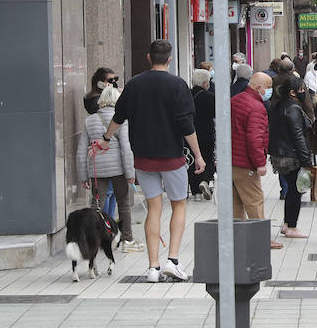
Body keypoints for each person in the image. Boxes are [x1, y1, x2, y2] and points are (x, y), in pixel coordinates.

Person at [97, 39, 205, 283]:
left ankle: (153, 267)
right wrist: (198, 155)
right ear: (170, 59)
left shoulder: (134, 85)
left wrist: (105, 138)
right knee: (178, 205)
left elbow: (119, 116)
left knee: (154, 208)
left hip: (143, 158)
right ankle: (173, 261)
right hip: (172, 158)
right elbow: (187, 125)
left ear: (148, 57)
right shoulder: (178, 85)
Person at [79, 83, 141, 251]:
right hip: (118, 170)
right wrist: (130, 173)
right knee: (123, 204)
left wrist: (83, 176)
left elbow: (81, 150)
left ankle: (93, 241)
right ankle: (127, 240)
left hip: (97, 171)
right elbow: (126, 148)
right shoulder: (121, 119)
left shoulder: (90, 120)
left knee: (96, 205)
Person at [230, 72, 280, 247]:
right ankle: (261, 238)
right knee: (255, 200)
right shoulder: (257, 108)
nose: (269, 92)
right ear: (259, 88)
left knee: (236, 202)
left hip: (232, 160)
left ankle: (236, 237)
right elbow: (254, 138)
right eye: (267, 88)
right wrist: (260, 163)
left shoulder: (235, 100)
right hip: (245, 163)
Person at [269, 73, 315, 239]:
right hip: (292, 156)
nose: (304, 92)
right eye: (301, 89)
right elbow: (298, 137)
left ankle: (287, 224)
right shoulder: (294, 109)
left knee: (291, 190)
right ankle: (292, 227)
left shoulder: (279, 105)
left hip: (280, 155)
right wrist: (306, 161)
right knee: (296, 191)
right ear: (293, 92)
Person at [189, 68, 216, 200]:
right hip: (206, 132)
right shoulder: (210, 97)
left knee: (192, 159)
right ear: (205, 83)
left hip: (189, 133)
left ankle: (194, 191)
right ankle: (205, 180)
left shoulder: (186, 95)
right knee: (207, 157)